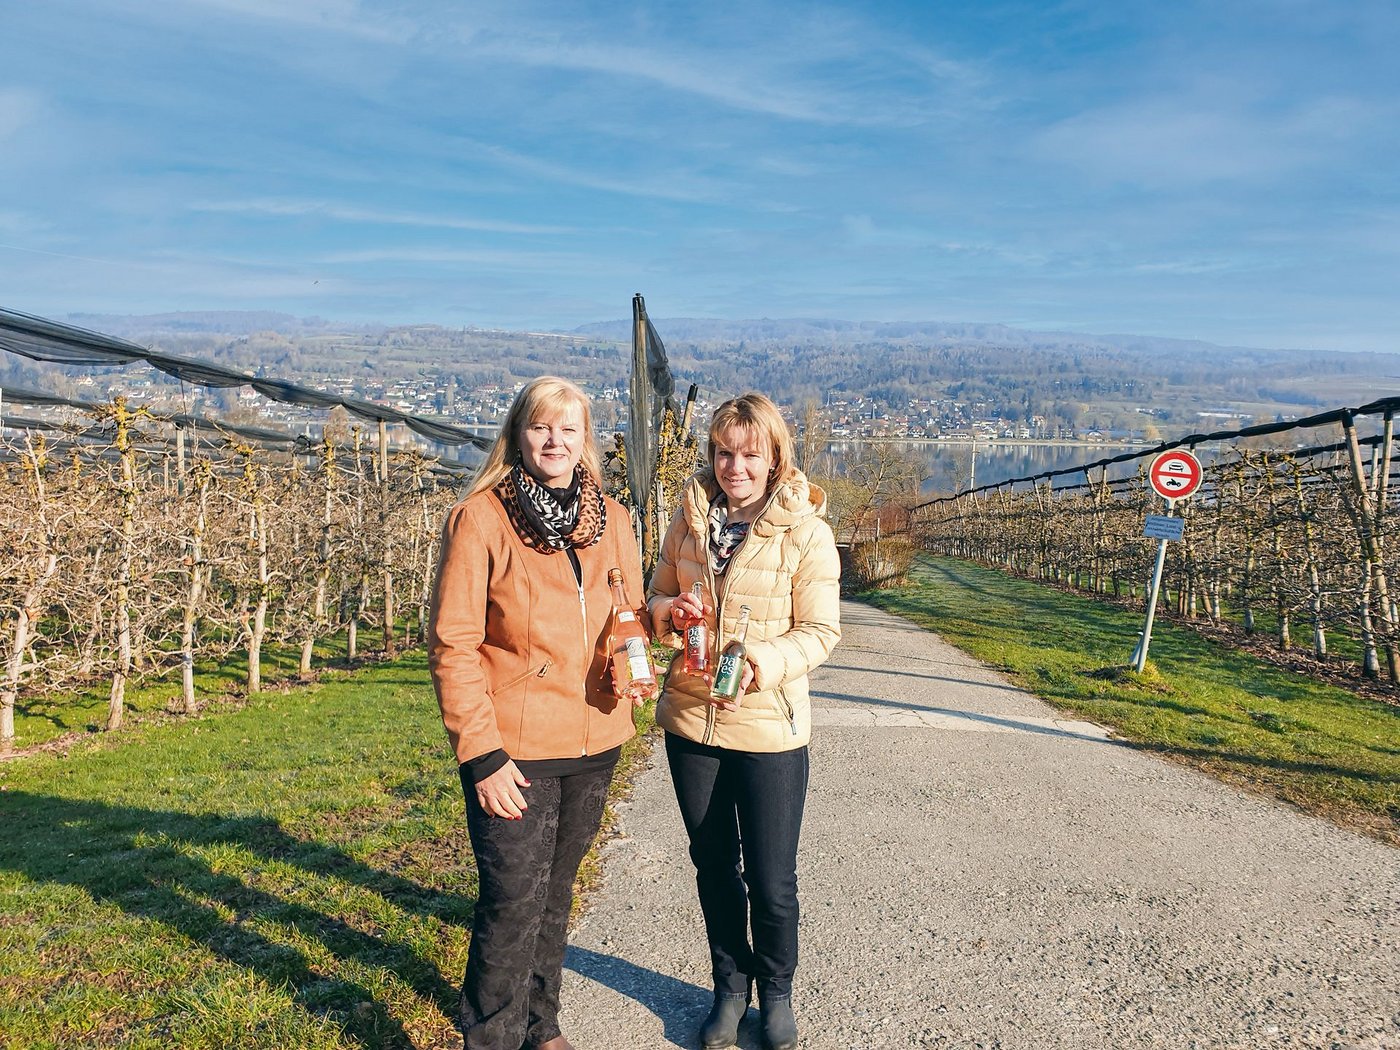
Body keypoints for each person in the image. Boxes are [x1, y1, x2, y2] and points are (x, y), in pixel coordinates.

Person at [428, 376, 655, 1050]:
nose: (554, 440)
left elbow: (629, 614)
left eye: (568, 428)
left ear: (585, 440)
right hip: (514, 750)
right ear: (518, 435)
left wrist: (642, 645)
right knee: (511, 904)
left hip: (595, 740)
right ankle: (491, 1036)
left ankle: (539, 1024)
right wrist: (482, 753)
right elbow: (453, 643)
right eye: (540, 427)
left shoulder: (614, 520)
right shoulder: (483, 519)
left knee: (556, 899)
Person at [647, 392, 841, 1050]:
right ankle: (729, 989)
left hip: (769, 728)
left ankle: (777, 990)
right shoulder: (690, 520)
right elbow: (655, 599)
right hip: (691, 722)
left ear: (774, 456)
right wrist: (669, 613)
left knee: (772, 877)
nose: (735, 466)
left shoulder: (806, 531)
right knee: (713, 867)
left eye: (749, 454)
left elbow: (821, 632)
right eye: (725, 453)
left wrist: (762, 660)